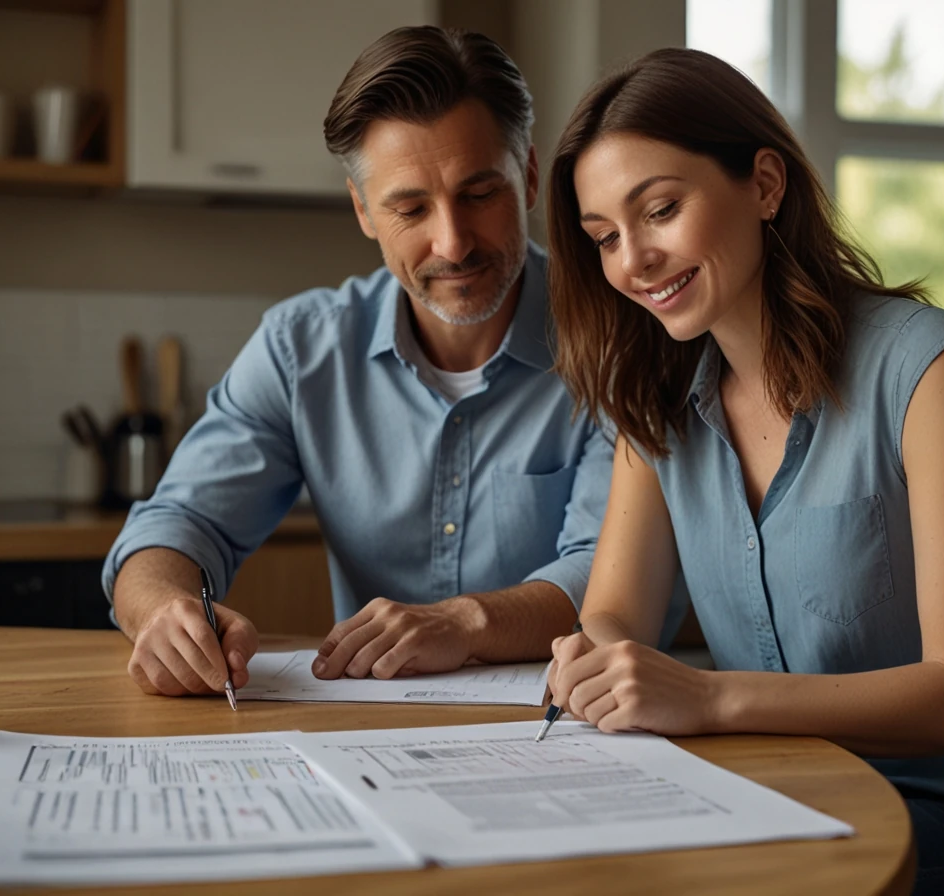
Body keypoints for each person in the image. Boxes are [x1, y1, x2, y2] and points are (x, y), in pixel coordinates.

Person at [543, 48, 944, 895]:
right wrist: (591, 662)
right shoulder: (658, 399)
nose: (632, 260)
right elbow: (614, 612)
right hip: (766, 798)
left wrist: (706, 700)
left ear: (766, 185)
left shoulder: (930, 368)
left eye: (661, 209)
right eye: (605, 238)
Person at [103, 26, 639, 700]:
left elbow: (613, 577)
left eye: (479, 195)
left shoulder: (621, 340)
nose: (452, 242)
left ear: (528, 176)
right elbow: (179, 522)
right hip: (368, 728)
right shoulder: (301, 348)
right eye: (410, 207)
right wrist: (164, 609)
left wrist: (465, 623)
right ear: (363, 209)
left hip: (575, 723)